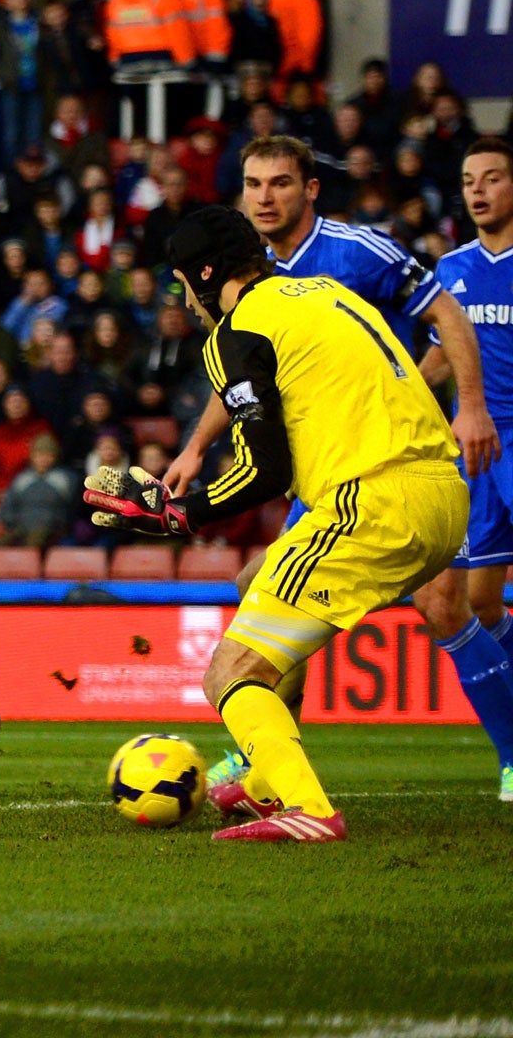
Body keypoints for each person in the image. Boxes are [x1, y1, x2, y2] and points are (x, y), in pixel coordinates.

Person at [86, 207, 470, 841]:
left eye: (184, 281)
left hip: (371, 503)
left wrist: (181, 513)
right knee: (255, 577)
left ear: (206, 275)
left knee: (228, 674)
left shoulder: (236, 333)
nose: (184, 296)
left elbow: (263, 470)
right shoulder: (324, 293)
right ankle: (265, 778)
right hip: (443, 496)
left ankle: (311, 811)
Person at [164, 135, 506, 790]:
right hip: (376, 464)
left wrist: (470, 403)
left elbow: (445, 314)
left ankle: (503, 756)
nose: (266, 196)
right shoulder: (298, 284)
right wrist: (194, 447)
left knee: (444, 605)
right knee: (255, 583)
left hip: (374, 470)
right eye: (254, 184)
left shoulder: (353, 253)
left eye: (280, 183)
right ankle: (267, 754)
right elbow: (246, 379)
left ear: (310, 188)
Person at [418, 136, 513, 802]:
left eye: (493, 178)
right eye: (468, 180)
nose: (477, 190)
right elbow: (436, 364)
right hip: (470, 453)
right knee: (462, 602)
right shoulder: (449, 270)